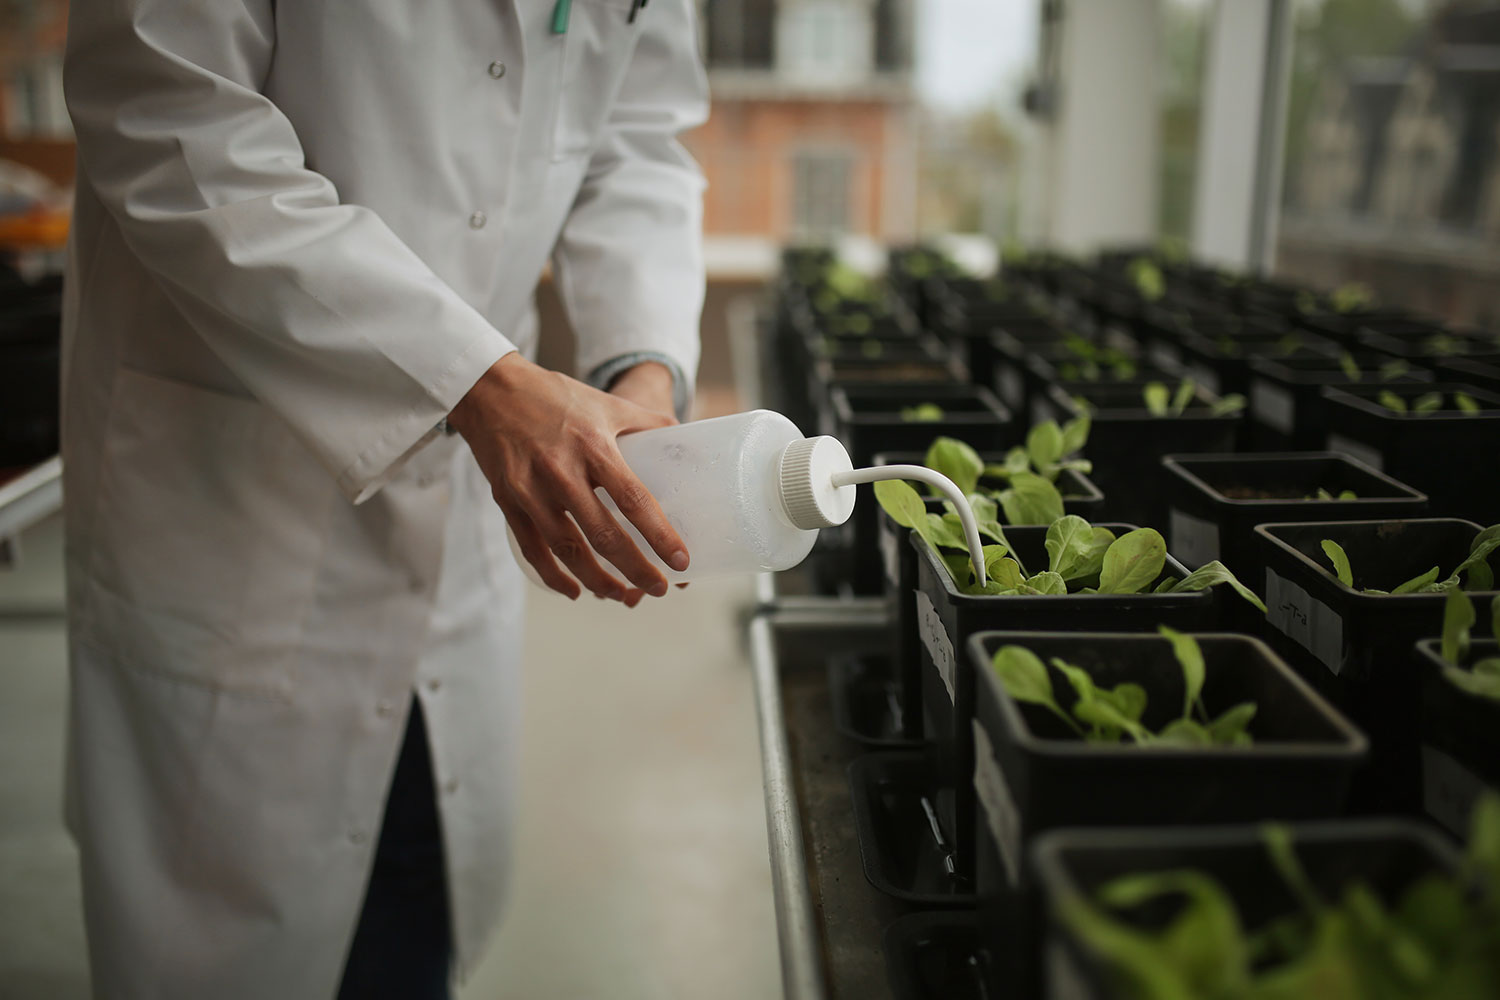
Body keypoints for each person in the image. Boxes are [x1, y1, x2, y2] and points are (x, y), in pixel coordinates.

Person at [59, 1, 708, 996]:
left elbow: (638, 143)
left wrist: (643, 369)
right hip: (236, 499)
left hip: (461, 527)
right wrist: (476, 380)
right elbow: (167, 111)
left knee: (416, 908)